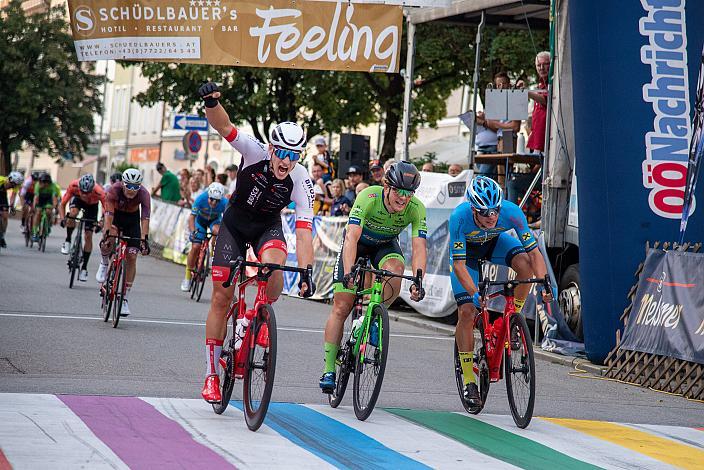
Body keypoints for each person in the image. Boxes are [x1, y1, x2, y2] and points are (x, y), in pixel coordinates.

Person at [198, 81, 316, 403]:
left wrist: (306, 271)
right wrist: (211, 103)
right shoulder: (253, 152)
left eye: (294, 155)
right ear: (271, 149)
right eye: (282, 153)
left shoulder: (301, 178)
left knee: (275, 265)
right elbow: (225, 127)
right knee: (222, 298)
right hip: (234, 225)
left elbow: (305, 229)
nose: (286, 161)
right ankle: (211, 374)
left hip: (267, 227)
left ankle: (258, 315)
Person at [319, 161, 427, 393]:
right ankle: (329, 369)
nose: (403, 197)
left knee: (396, 272)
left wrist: (419, 279)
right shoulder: (368, 197)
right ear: (386, 186)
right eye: (398, 190)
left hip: (385, 246)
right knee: (342, 306)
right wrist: (348, 273)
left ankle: (374, 317)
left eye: (409, 193)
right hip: (357, 245)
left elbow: (419, 248)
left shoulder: (416, 208)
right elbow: (351, 238)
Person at [448, 176, 555, 407]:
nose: (492, 217)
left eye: (495, 211)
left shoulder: (512, 212)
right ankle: (468, 380)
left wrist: (545, 283)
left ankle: (513, 320)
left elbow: (535, 253)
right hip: (467, 257)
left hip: (495, 244)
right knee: (467, 311)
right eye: (485, 212)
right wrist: (475, 293)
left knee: (525, 264)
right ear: (473, 209)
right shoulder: (459, 217)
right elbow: (458, 265)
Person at [97, 168, 151, 317]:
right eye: (129, 185)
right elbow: (108, 213)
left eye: (136, 186)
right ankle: (104, 263)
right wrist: (107, 232)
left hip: (132, 221)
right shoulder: (114, 190)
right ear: (123, 183)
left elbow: (145, 218)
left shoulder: (144, 194)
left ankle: (124, 298)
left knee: (132, 256)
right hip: (115, 217)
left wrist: (144, 239)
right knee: (110, 238)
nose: (132, 190)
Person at [181, 183, 228, 292]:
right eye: (212, 200)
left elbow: (228, 221)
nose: (214, 203)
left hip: (214, 221)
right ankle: (187, 278)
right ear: (208, 196)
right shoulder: (200, 199)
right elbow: (192, 217)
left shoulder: (225, 203)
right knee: (196, 246)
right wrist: (193, 232)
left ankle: (212, 255)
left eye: (217, 201)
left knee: (218, 232)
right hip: (200, 221)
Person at [58, 174, 106, 282]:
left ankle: (84, 267)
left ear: (92, 190)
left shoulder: (99, 192)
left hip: (92, 206)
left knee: (88, 235)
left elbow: (106, 210)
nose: (84, 195)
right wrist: (62, 219)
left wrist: (100, 223)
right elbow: (62, 204)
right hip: (77, 201)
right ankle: (68, 240)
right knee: (72, 214)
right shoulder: (73, 186)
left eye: (87, 192)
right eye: (82, 192)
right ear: (79, 187)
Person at [32, 173, 61, 242]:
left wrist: (55, 207)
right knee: (38, 212)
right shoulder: (37, 185)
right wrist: (34, 207)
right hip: (41, 199)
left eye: (47, 182)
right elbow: (36, 198)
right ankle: (35, 233)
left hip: (48, 199)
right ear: (40, 182)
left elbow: (54, 198)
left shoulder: (53, 186)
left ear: (49, 182)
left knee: (48, 211)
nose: (45, 184)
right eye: (43, 182)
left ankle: (48, 224)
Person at [0, 171, 23, 247]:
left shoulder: (16, 185)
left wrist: (11, 206)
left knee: (5, 216)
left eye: (15, 185)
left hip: (2, 195)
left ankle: (2, 236)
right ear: (9, 179)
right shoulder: (1, 180)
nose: (13, 186)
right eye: (12, 184)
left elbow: (13, 196)